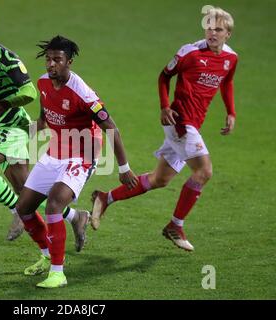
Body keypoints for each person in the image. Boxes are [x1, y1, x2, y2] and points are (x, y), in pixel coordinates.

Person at [91, 7, 238, 252]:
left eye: (218, 29)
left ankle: (106, 198)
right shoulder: (189, 53)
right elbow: (164, 76)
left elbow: (228, 82)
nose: (212, 32)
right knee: (204, 171)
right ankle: (175, 226)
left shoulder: (231, 58)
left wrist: (231, 111)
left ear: (228, 34)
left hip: (194, 123)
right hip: (179, 122)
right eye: (209, 27)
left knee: (159, 179)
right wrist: (164, 106)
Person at [0, 7, 90, 249]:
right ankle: (75, 217)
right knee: (26, 191)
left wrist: (7, 102)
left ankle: (19, 211)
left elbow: (30, 92)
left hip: (15, 125)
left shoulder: (6, 58)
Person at [15, 35, 138, 288]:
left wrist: (124, 168)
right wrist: (20, 133)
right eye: (48, 59)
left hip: (82, 155)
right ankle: (48, 255)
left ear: (69, 62)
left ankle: (58, 274)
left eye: (57, 60)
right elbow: (44, 119)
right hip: (54, 152)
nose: (51, 64)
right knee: (24, 208)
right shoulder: (42, 84)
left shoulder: (83, 93)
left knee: (53, 206)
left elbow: (112, 128)